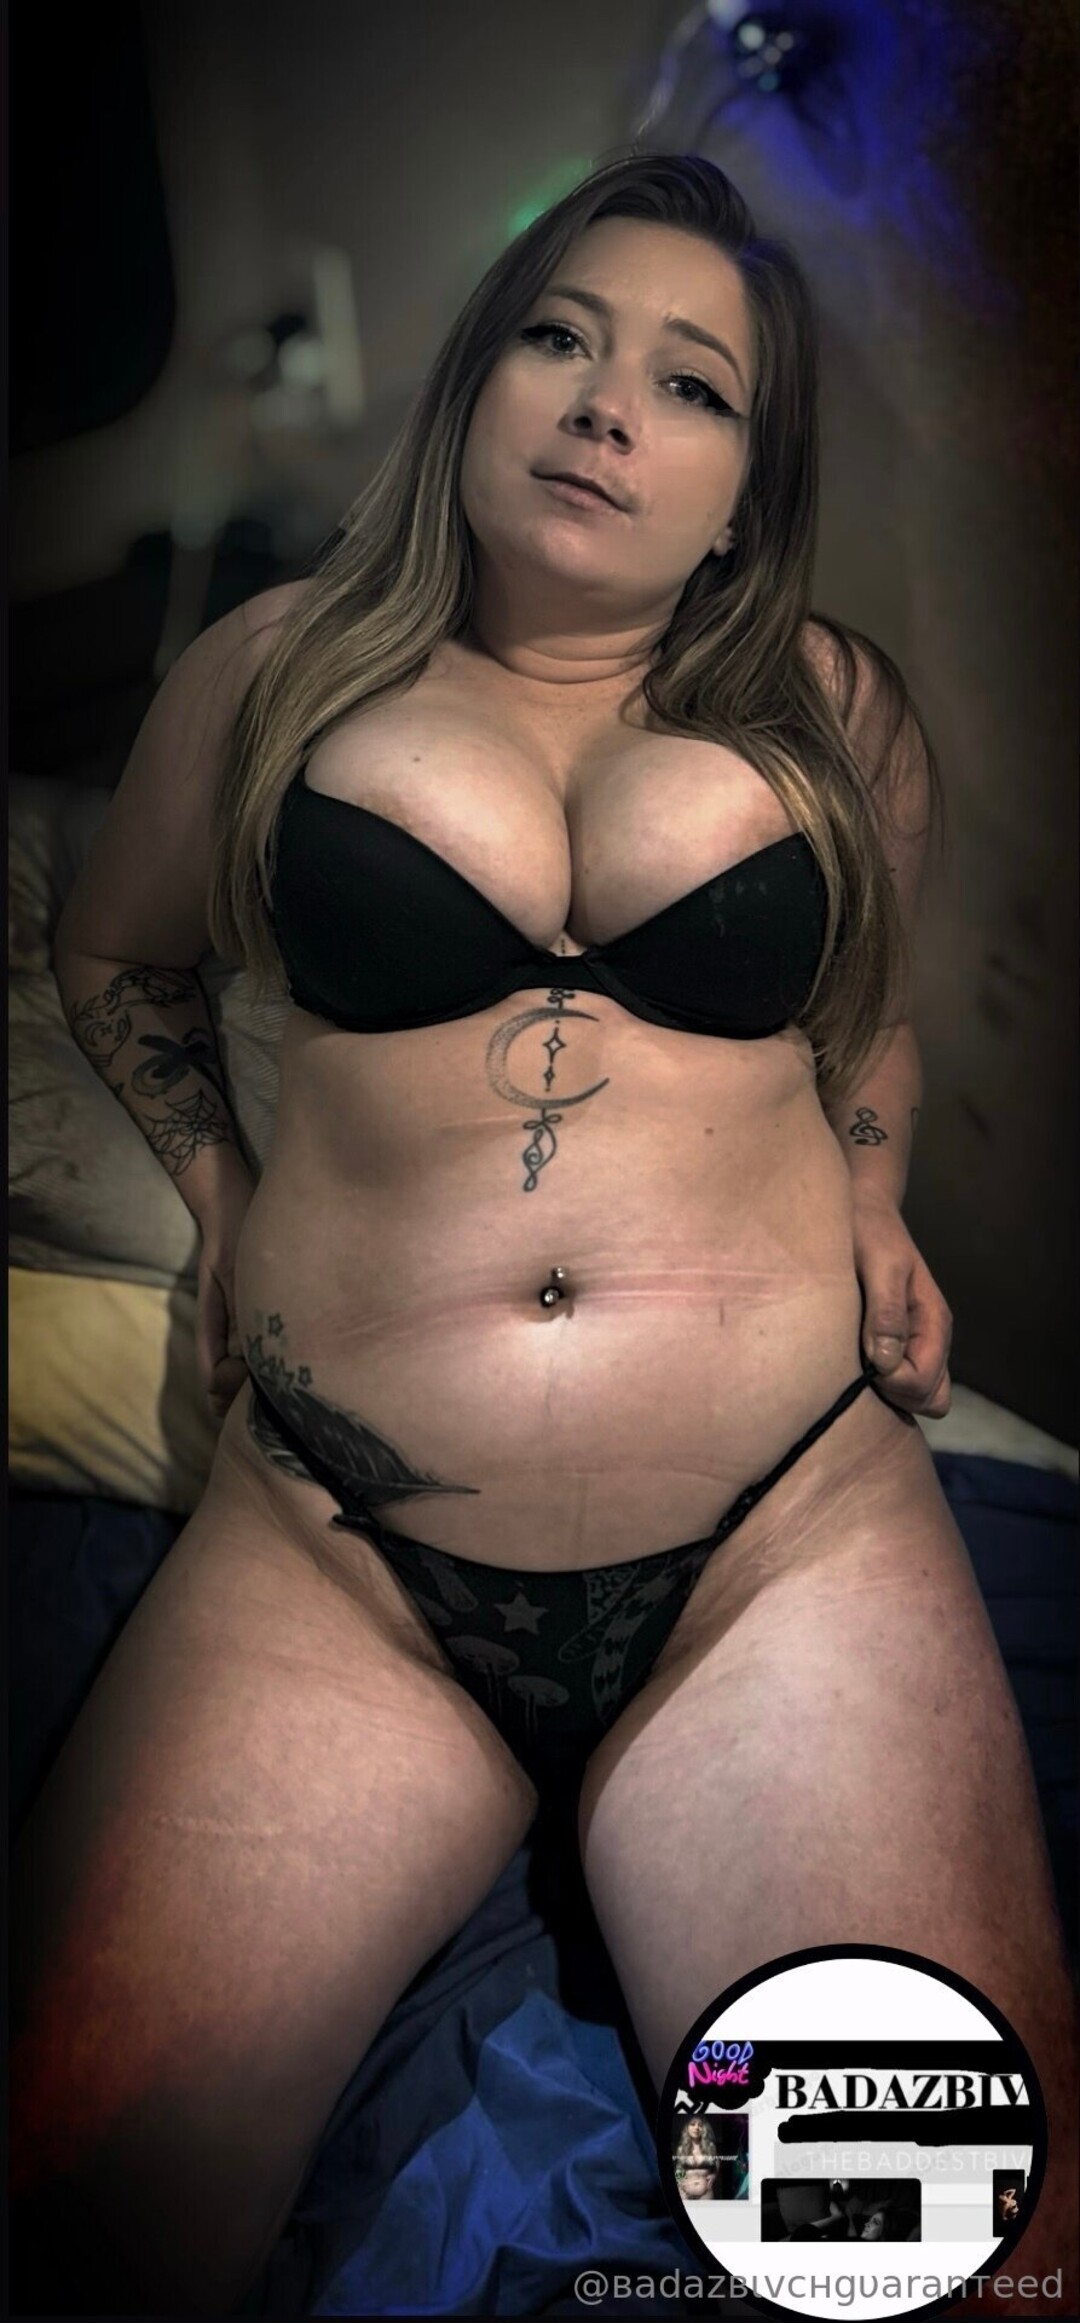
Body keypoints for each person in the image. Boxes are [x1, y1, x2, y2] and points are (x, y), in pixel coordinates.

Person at [10, 149, 1076, 2316]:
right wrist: (223, 1191)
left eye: (693, 384)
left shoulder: (838, 711)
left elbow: (862, 1015)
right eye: (561, 338)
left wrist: (874, 1190)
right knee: (72, 2226)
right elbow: (113, 959)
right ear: (478, 384)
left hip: (779, 1552)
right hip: (342, 1566)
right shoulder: (272, 669)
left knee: (955, 2254)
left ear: (743, 492)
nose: (606, 404)